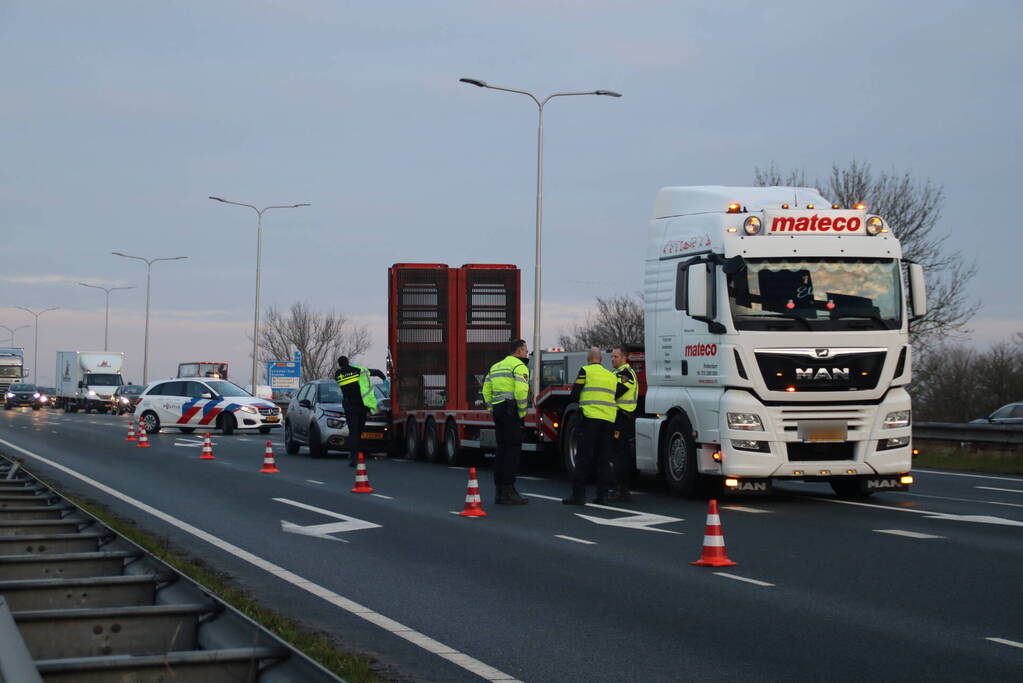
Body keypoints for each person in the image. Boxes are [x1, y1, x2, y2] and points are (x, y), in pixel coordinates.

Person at [562, 348, 627, 506]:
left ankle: (578, 495)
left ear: (588, 359)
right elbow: (617, 393)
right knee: (603, 459)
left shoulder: (585, 371)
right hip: (608, 420)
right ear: (601, 360)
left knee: (583, 457)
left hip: (590, 419)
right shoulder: (611, 375)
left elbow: (575, 395)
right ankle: (602, 496)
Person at [482, 339, 530, 505]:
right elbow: (522, 391)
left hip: (498, 410)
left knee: (501, 450)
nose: (526, 353)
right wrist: (522, 413)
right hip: (511, 411)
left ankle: (499, 491)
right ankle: (509, 490)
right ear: (518, 352)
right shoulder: (519, 366)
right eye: (525, 350)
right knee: (513, 451)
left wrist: (491, 408)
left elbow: (486, 389)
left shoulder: (496, 366)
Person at [335, 355, 378, 467]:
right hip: (361, 405)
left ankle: (354, 456)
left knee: (353, 432)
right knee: (359, 431)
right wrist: (384, 378)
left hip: (349, 405)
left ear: (339, 364)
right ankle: (356, 453)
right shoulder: (357, 371)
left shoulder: (338, 374)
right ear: (348, 362)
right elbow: (375, 372)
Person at [608, 346, 639, 502]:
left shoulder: (626, 375)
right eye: (612, 356)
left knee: (619, 455)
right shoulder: (616, 373)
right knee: (617, 454)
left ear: (624, 358)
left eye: (616, 356)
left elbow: (615, 392)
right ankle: (620, 489)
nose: (613, 359)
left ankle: (621, 489)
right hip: (617, 417)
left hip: (622, 419)